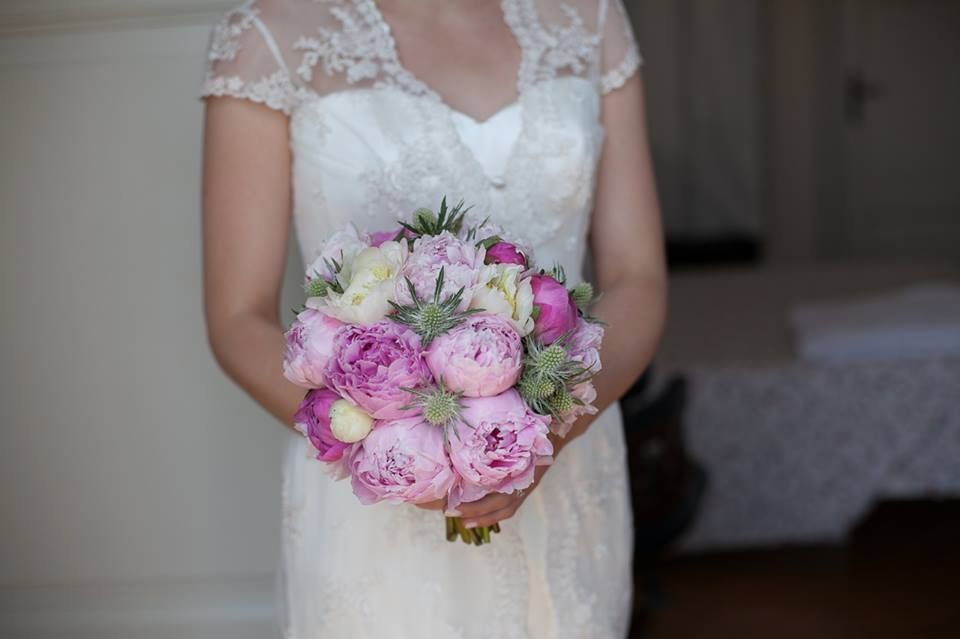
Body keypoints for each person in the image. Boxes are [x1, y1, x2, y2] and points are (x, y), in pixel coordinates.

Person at [199, 0, 666, 636]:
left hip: (571, 467)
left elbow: (637, 278)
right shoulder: (271, 37)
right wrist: (401, 445)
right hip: (377, 498)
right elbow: (236, 319)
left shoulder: (588, 18)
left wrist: (547, 431)